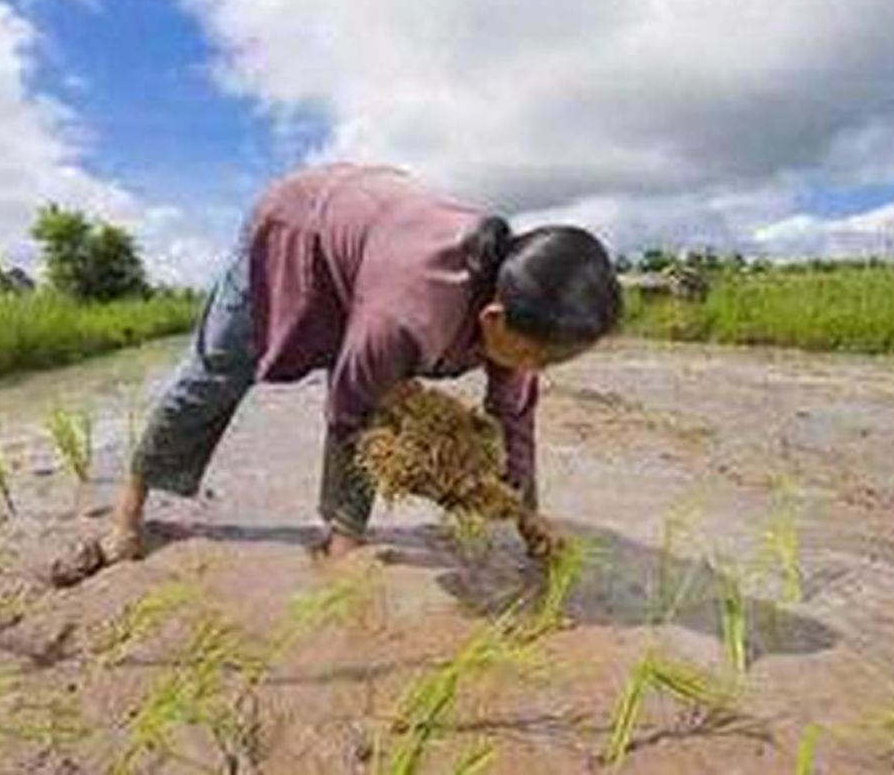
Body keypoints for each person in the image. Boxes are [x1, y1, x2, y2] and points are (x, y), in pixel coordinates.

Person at [99, 162, 622, 569]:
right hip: (295, 226)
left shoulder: (522, 303)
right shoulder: (407, 312)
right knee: (216, 370)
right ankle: (128, 510)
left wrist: (529, 518)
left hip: (373, 242)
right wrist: (346, 541)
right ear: (494, 317)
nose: (539, 369)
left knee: (374, 359)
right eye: (540, 357)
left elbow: (515, 419)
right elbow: (352, 410)